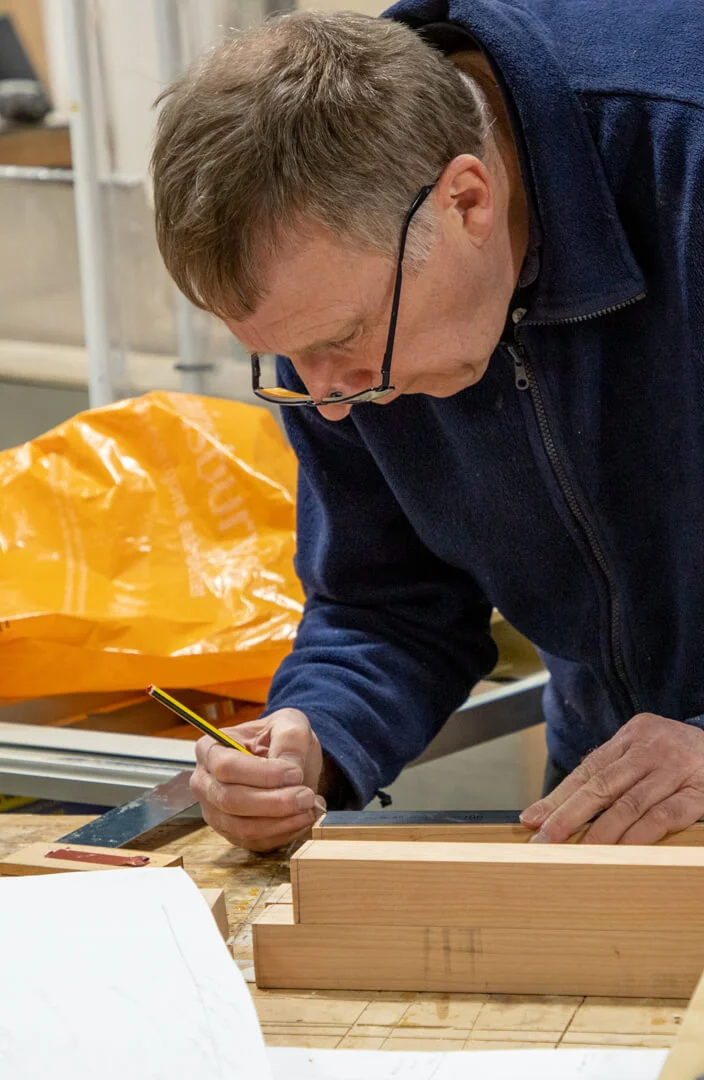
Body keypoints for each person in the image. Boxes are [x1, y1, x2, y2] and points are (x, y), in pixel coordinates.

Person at [151, 0, 704, 852]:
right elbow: (387, 601)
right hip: (620, 788)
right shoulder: (346, 309)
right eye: (289, 361)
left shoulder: (682, 154)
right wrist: (316, 736)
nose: (332, 405)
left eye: (339, 342)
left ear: (469, 202)